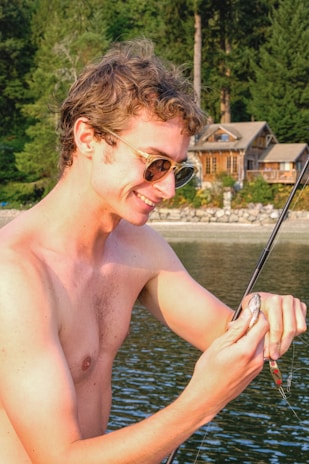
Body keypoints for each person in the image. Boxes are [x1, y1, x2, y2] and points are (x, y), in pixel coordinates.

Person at [0, 39, 306, 464]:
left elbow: (227, 336)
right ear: (88, 137)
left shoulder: (138, 245)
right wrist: (198, 403)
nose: (166, 189)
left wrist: (264, 311)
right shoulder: (14, 275)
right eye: (154, 163)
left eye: (176, 171)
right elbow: (58, 459)